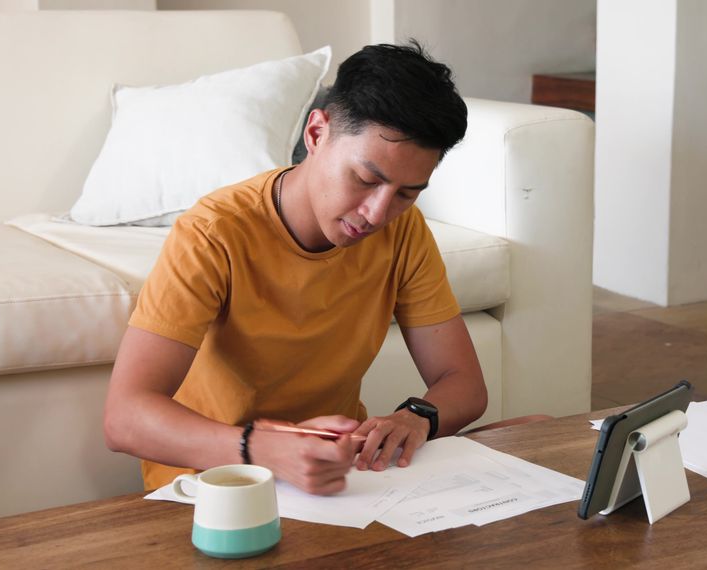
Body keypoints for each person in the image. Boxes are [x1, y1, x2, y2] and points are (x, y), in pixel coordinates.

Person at [103, 42, 489, 495]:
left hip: (341, 479)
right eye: (366, 180)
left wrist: (417, 416)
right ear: (316, 133)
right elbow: (124, 417)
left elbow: (463, 383)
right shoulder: (213, 233)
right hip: (217, 483)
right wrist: (264, 450)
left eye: (407, 193)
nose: (377, 212)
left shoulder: (403, 232)